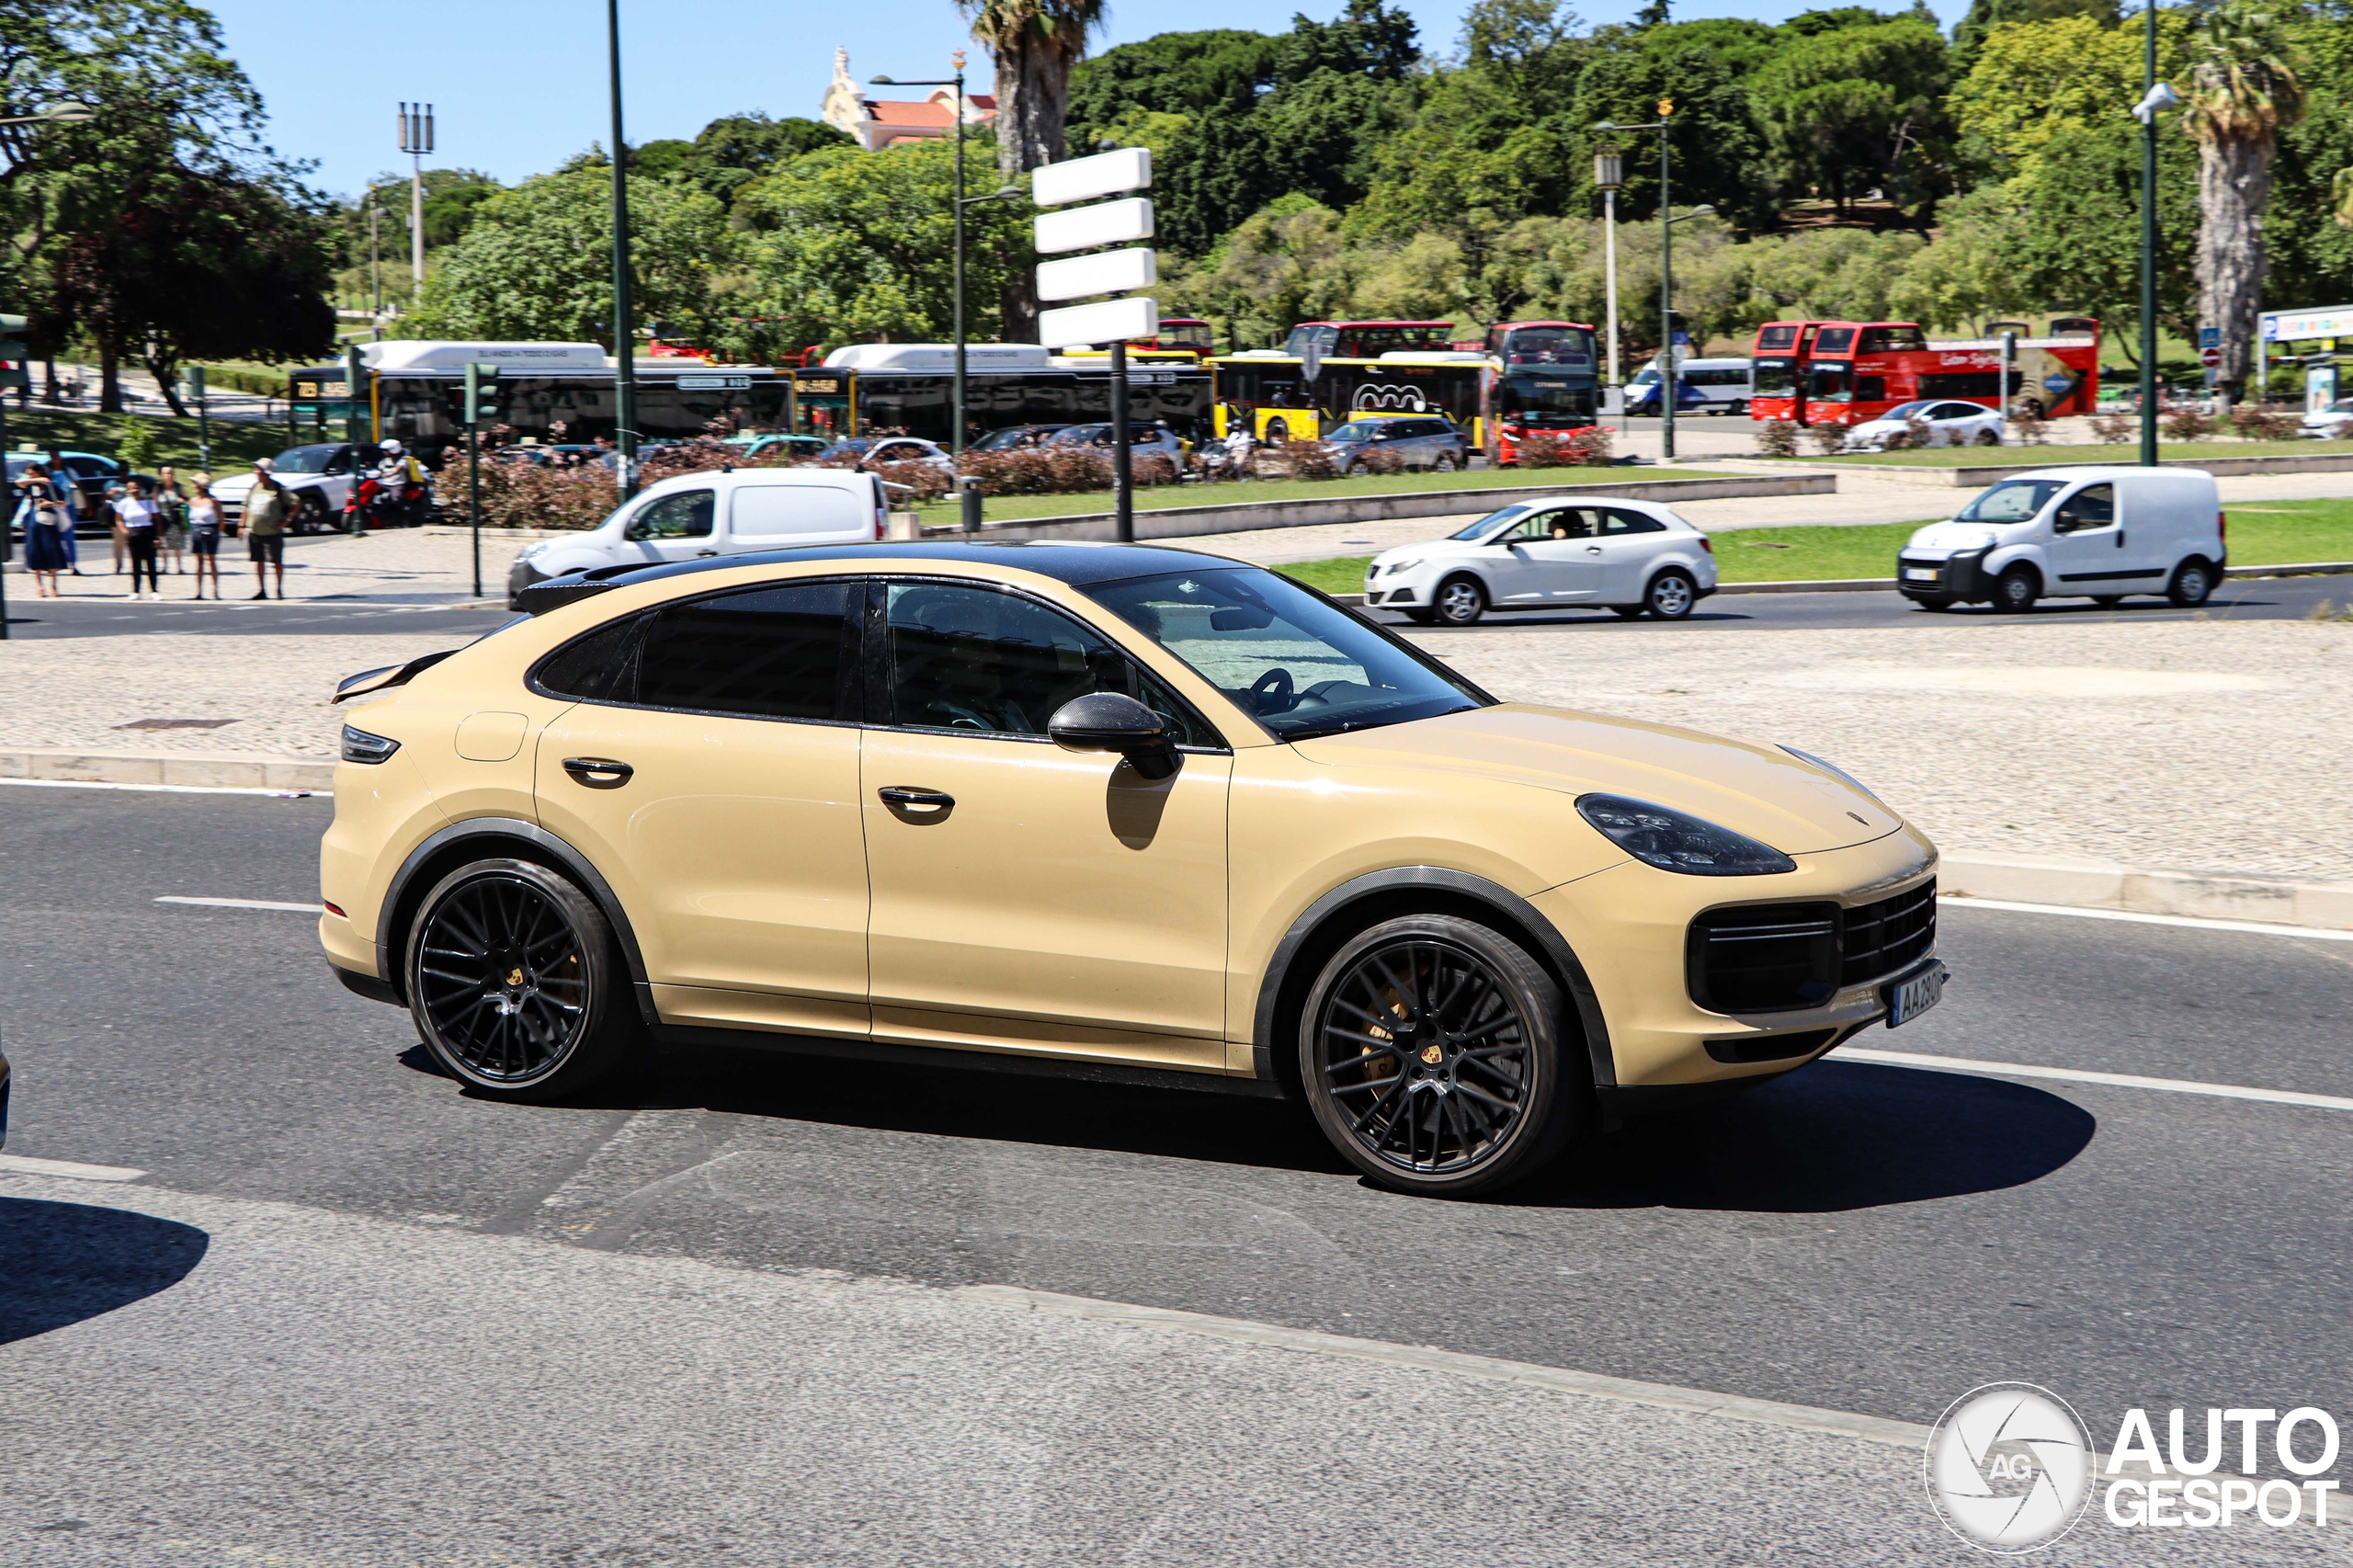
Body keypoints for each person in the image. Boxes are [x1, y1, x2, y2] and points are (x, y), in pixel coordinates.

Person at [17, 462, 69, 597]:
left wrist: (50, 503)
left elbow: (63, 502)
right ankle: (39, 587)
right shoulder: (32, 487)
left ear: (39, 472)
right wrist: (34, 480)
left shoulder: (52, 486)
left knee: (51, 551)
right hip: (33, 523)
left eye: (32, 473)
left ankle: (53, 586)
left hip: (49, 523)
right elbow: (19, 482)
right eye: (29, 474)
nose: (29, 476)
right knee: (35, 553)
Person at [242, 457, 290, 599]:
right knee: (258, 561)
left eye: (259, 470)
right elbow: (246, 507)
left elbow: (295, 502)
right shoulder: (254, 487)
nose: (256, 472)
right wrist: (241, 525)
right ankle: (262, 590)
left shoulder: (277, 488)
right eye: (256, 469)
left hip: (272, 532)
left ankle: (278, 590)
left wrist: (287, 521)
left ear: (266, 472)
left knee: (276, 561)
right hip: (255, 532)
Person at [115, 478, 162, 598]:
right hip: (133, 533)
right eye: (132, 488)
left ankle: (154, 591)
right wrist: (125, 531)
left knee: (151, 562)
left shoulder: (148, 503)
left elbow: (157, 519)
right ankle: (136, 591)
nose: (135, 490)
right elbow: (119, 519)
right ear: (128, 490)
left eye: (136, 488)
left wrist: (157, 536)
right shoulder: (123, 503)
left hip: (147, 532)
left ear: (140, 489)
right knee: (135, 563)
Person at [186, 473, 223, 598]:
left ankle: (215, 590)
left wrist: (218, 532)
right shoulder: (193, 501)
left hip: (210, 529)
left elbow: (222, 519)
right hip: (196, 530)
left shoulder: (213, 501)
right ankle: (199, 591)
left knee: (211, 561)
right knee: (199, 561)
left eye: (195, 484)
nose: (193, 486)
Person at [155, 464, 188, 575]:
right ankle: (164, 567)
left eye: (170, 473)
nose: (169, 475)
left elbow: (189, 501)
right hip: (162, 519)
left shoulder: (179, 487)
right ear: (161, 475)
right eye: (166, 473)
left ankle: (179, 567)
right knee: (164, 545)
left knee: (177, 545)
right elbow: (154, 503)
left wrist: (181, 500)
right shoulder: (158, 488)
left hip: (175, 520)